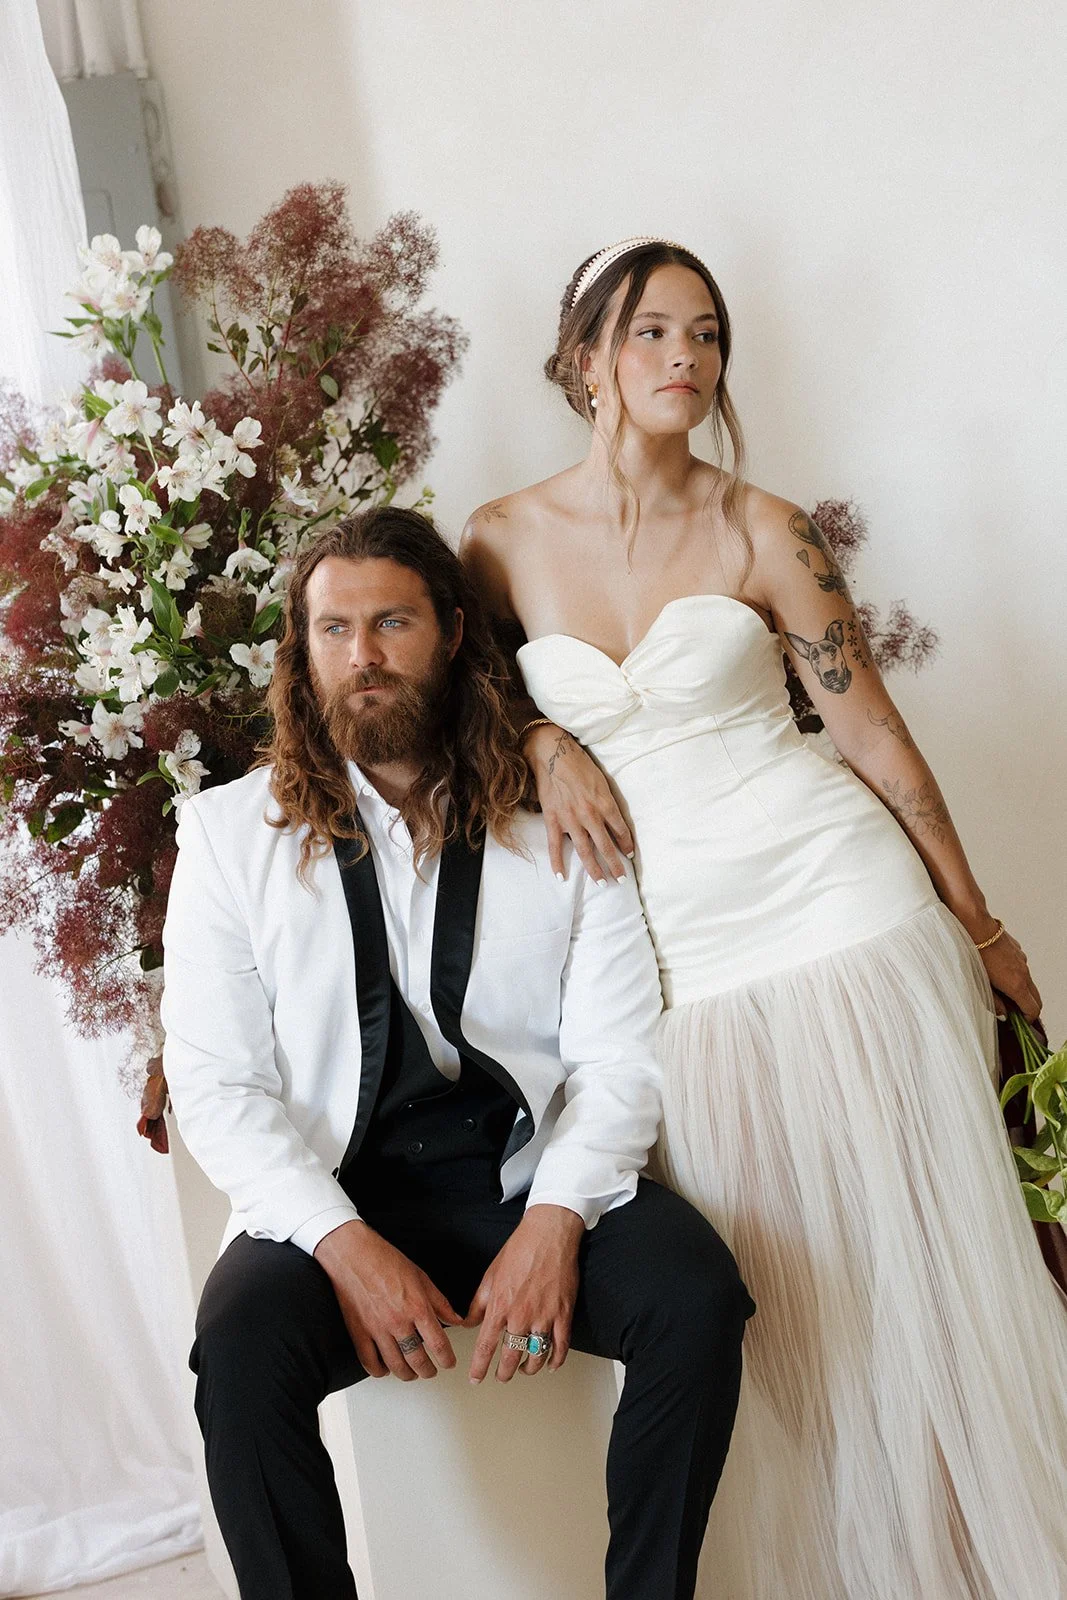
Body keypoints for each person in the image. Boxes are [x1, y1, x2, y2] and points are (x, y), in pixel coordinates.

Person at [461, 236, 1067, 1598]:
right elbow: (470, 708)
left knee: (929, 1273)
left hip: (835, 904)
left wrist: (976, 927)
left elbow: (874, 739)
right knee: (799, 1311)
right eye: (651, 331)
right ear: (585, 358)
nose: (684, 356)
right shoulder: (498, 539)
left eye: (706, 334)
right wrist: (546, 745)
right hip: (675, 955)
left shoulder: (763, 527)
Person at [161, 504, 754, 1600]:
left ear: (451, 632)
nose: (363, 656)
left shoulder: (559, 818)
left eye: (391, 623)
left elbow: (619, 1059)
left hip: (519, 1177)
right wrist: (344, 1244)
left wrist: (555, 1220)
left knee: (695, 1297)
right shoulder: (227, 838)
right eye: (334, 629)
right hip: (338, 1195)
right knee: (237, 1347)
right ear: (302, 649)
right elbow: (218, 1085)